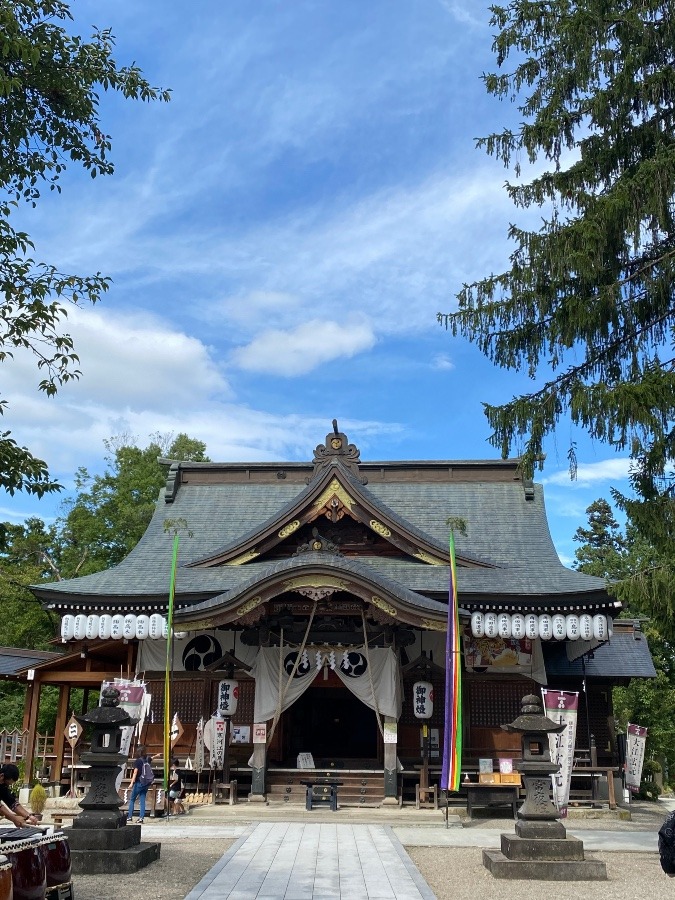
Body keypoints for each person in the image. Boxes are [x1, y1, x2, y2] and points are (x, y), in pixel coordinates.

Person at [126, 746, 154, 824]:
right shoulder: (147, 759)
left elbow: (135, 772)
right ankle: (141, 818)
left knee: (132, 799)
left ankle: (129, 817)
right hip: (146, 783)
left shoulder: (138, 761)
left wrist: (131, 783)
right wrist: (157, 756)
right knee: (142, 800)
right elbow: (152, 758)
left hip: (139, 782)